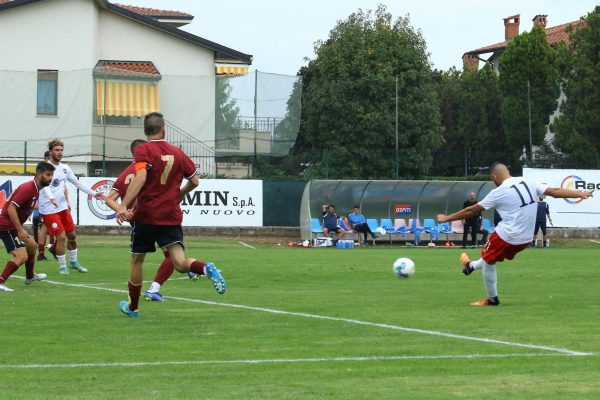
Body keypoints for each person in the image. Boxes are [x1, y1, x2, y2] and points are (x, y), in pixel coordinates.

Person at [115, 112, 226, 317]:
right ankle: (205, 268)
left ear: (145, 131)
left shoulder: (143, 150)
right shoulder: (178, 153)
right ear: (163, 130)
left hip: (146, 216)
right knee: (180, 263)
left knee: (137, 261)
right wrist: (178, 194)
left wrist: (123, 205)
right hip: (170, 216)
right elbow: (194, 181)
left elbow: (140, 178)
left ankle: (133, 307)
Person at [437, 162, 593, 307]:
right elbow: (555, 191)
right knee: (490, 256)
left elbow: (472, 210)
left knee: (488, 257)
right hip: (525, 239)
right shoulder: (529, 181)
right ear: (508, 172)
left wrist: (446, 218)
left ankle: (492, 299)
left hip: (508, 235)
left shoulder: (498, 191)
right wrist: (579, 194)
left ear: (494, 178)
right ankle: (470, 266)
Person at [105, 139, 191, 302]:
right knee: (173, 257)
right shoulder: (149, 171)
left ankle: (133, 304)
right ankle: (154, 289)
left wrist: (122, 210)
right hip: (154, 217)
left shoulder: (125, 173)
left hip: (138, 222)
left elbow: (109, 198)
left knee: (137, 260)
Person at [39, 139, 106, 274]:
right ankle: (63, 267)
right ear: (51, 151)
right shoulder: (44, 167)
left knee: (72, 236)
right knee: (61, 237)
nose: (59, 152)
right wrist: (51, 197)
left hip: (62, 208)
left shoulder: (65, 168)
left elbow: (77, 183)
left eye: (61, 150)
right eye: (57, 150)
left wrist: (94, 194)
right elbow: (43, 185)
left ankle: (74, 262)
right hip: (48, 209)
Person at [0, 162, 55, 292]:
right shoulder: (28, 188)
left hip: (11, 225)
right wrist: (20, 230)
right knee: (22, 256)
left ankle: (29, 276)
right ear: (38, 174)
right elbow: (11, 208)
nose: (50, 178)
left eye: (52, 175)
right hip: (7, 226)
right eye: (48, 175)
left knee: (32, 246)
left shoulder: (36, 189)